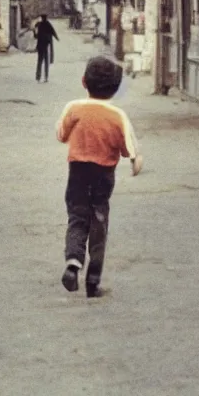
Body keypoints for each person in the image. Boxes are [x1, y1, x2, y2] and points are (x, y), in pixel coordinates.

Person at [55, 56, 144, 298]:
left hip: (77, 173)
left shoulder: (73, 109)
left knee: (77, 218)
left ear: (84, 82)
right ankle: (93, 280)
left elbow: (61, 134)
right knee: (99, 221)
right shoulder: (118, 116)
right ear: (115, 89)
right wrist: (136, 161)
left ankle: (73, 261)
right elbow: (130, 151)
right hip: (104, 176)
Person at [35, 14, 59, 83]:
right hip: (46, 45)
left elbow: (36, 36)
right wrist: (57, 38)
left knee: (40, 61)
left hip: (40, 46)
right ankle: (45, 77)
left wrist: (34, 31)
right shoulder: (47, 24)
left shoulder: (39, 25)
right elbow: (53, 31)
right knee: (46, 62)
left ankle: (38, 77)